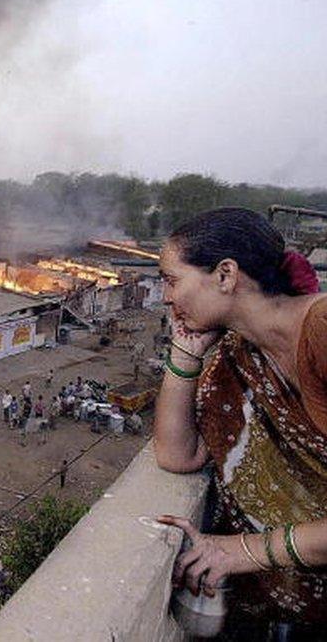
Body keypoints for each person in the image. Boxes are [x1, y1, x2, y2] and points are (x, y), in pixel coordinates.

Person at [153, 207, 326, 632]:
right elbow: (178, 454)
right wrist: (185, 355)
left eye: (172, 280)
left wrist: (240, 551)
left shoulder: (321, 330)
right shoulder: (240, 353)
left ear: (226, 275)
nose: (165, 297)